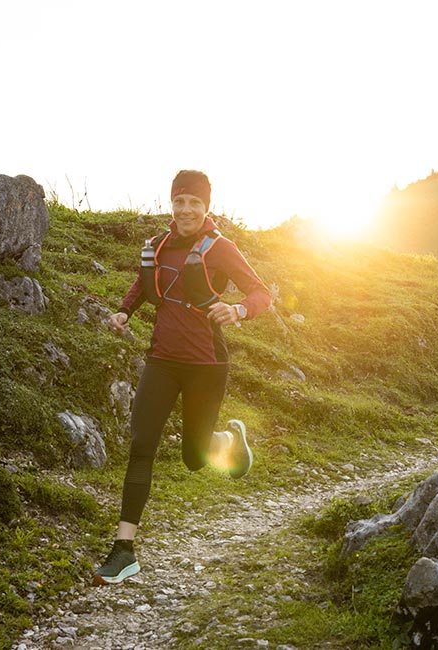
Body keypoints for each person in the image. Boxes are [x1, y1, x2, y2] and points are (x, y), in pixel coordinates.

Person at [93, 170, 271, 585]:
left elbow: (261, 292)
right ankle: (124, 551)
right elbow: (143, 283)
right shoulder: (158, 245)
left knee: (193, 458)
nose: (186, 209)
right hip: (162, 360)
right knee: (142, 446)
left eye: (194, 202)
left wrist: (239, 310)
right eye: (179, 201)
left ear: (206, 206)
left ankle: (226, 440)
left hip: (207, 365)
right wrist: (124, 312)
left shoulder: (221, 248)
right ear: (171, 203)